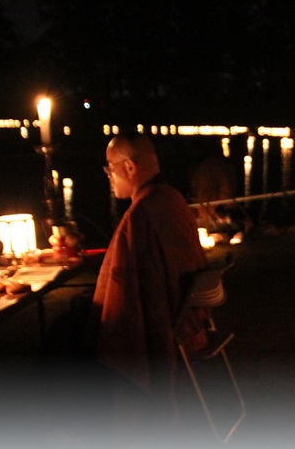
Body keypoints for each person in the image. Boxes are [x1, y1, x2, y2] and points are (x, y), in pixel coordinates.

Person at [90, 132, 209, 433]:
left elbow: (125, 292)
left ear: (129, 167)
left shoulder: (141, 214)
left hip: (166, 326)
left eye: (109, 168)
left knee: (77, 332)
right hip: (190, 318)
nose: (109, 176)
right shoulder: (173, 199)